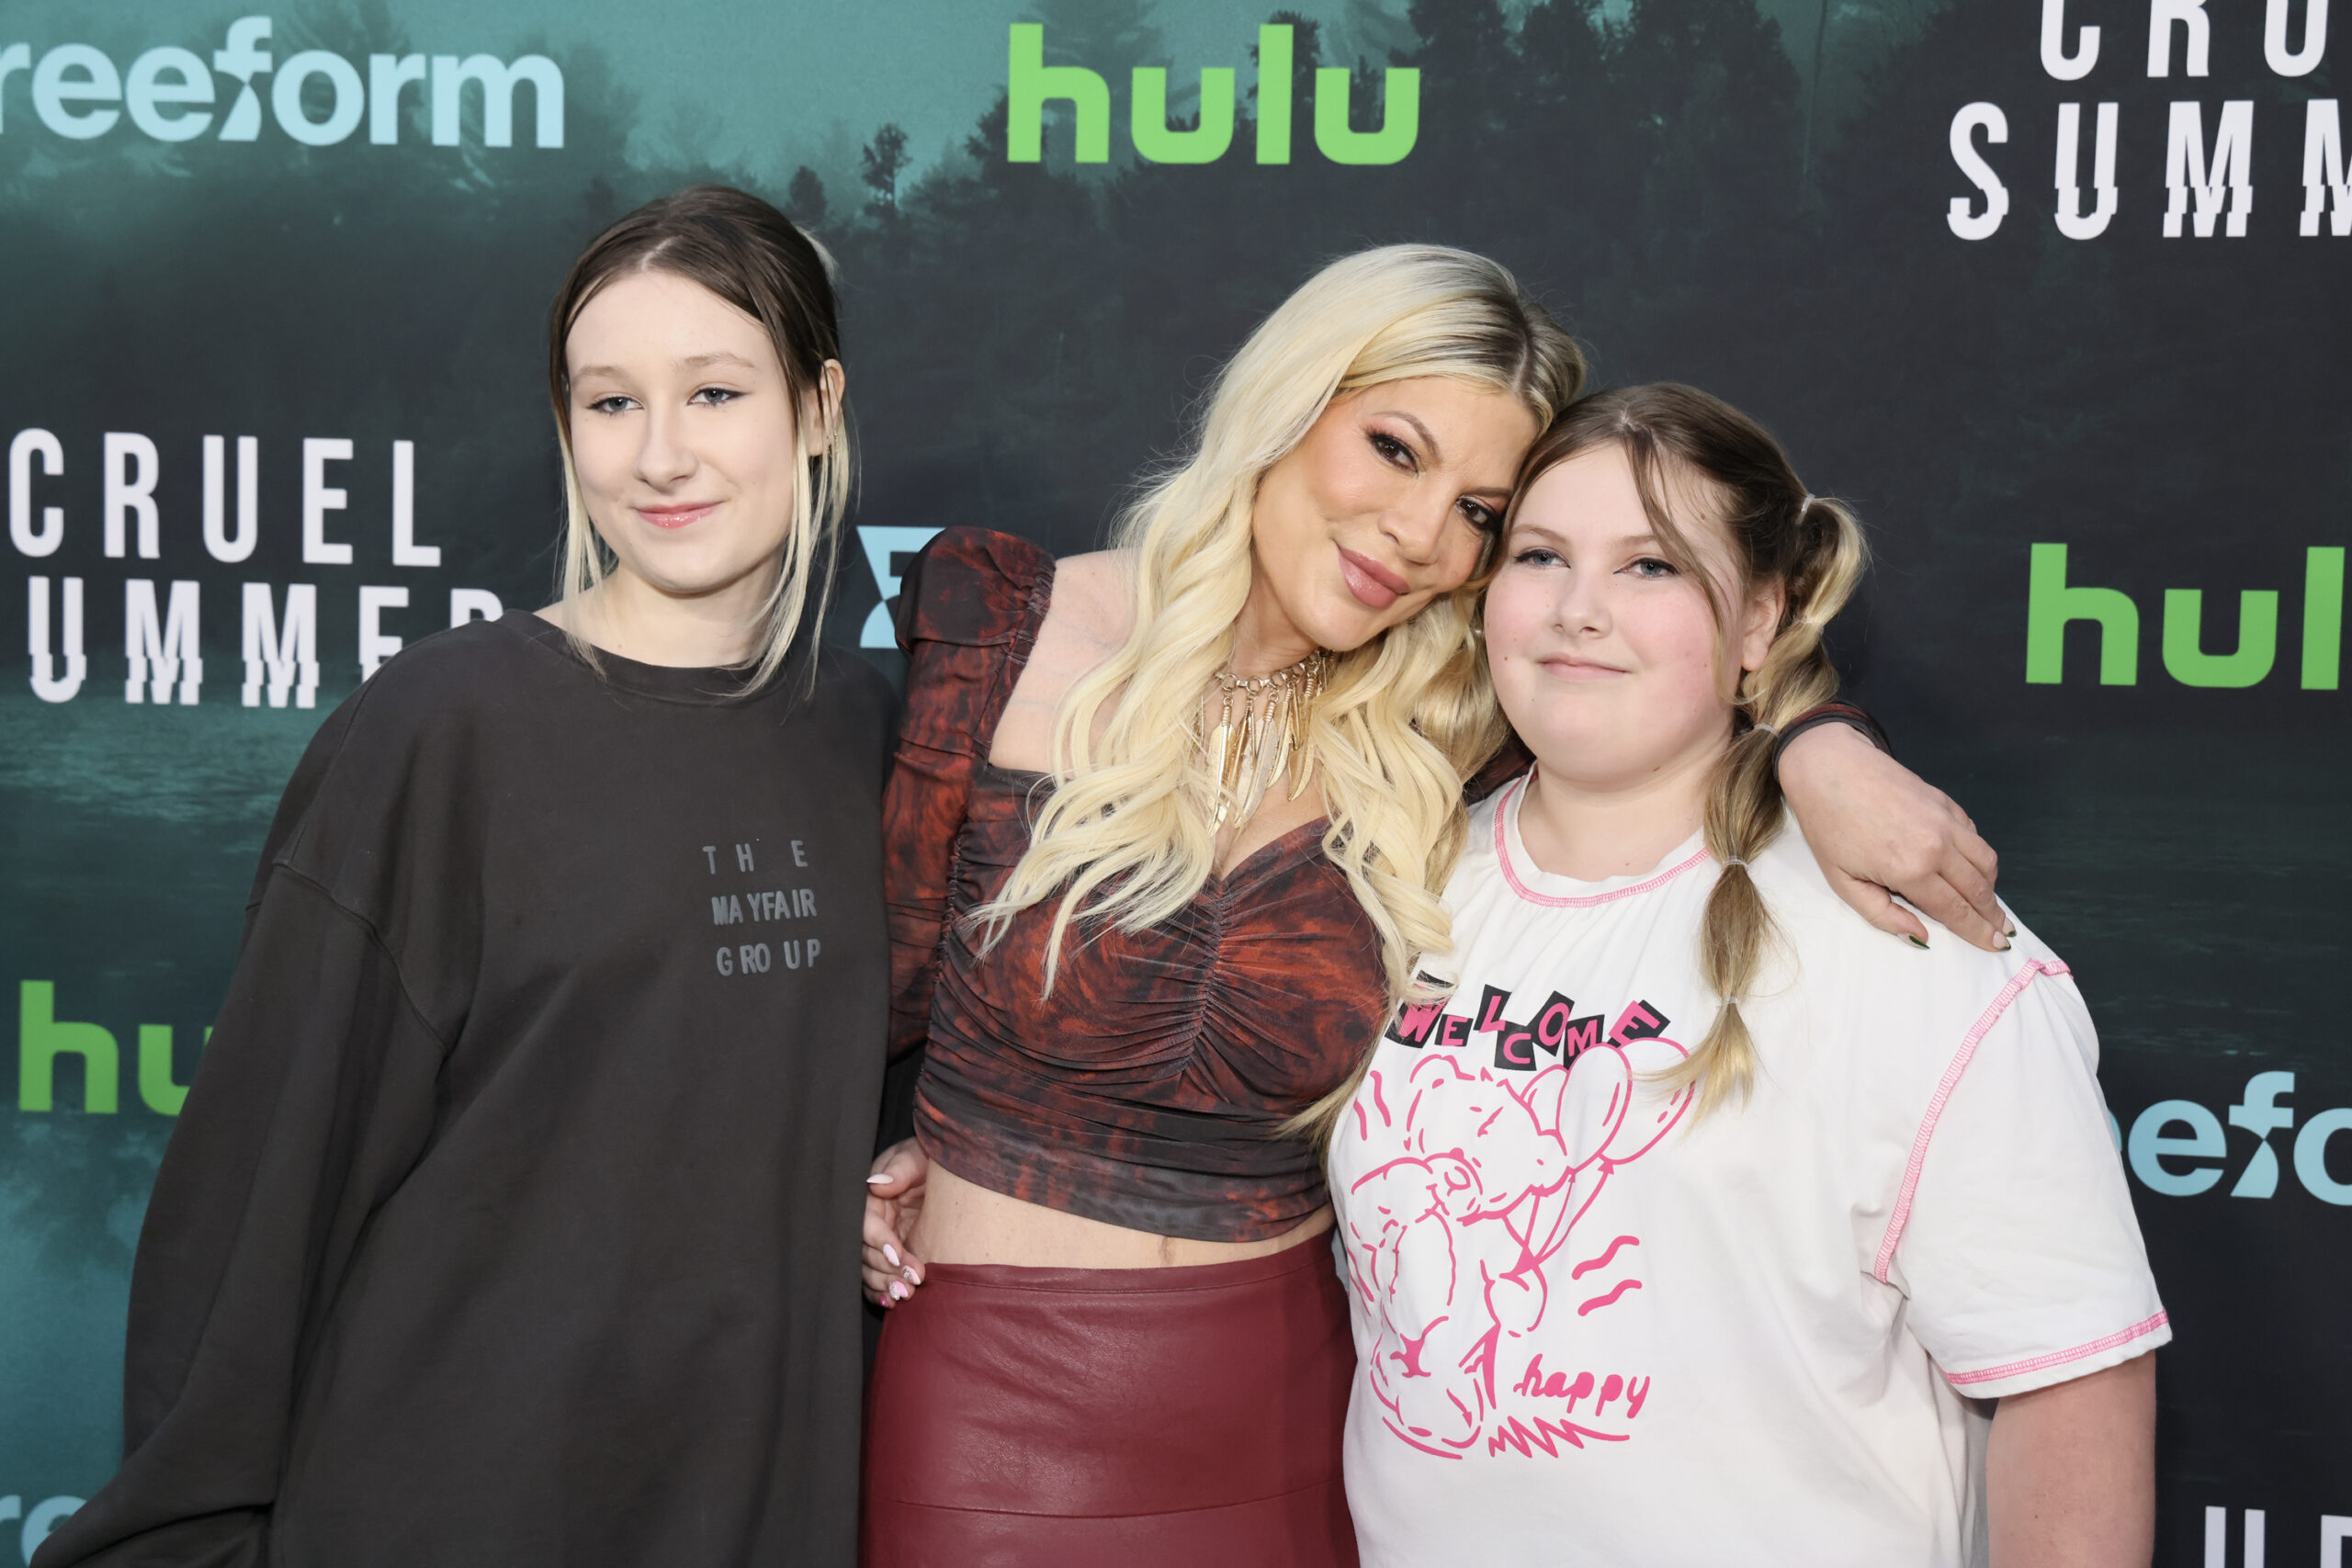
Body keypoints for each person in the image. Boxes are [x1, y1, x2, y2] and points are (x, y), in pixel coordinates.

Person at [858, 249, 2013, 1566]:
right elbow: (856, 996)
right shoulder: (1004, 628)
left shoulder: (1458, 725)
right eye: (1393, 449)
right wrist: (873, 1161)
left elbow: (1679, 666)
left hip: (1294, 1406)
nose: (1418, 536)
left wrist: (1819, 742)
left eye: (1476, 511)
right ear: (1289, 404)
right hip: (996, 1411)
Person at [36, 187, 893, 1568]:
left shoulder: (880, 739)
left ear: (816, 407)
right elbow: (259, 1196)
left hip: (759, 1509)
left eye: (717, 391)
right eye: (609, 404)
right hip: (445, 1503)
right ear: (564, 430)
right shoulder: (444, 729)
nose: (661, 455)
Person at [1329, 383, 2165, 1566]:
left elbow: (2073, 1384)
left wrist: (1815, 740)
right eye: (1540, 556)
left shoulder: (1906, 929)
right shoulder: (1389, 884)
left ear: (1761, 620)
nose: (1579, 611)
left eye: (1652, 568)